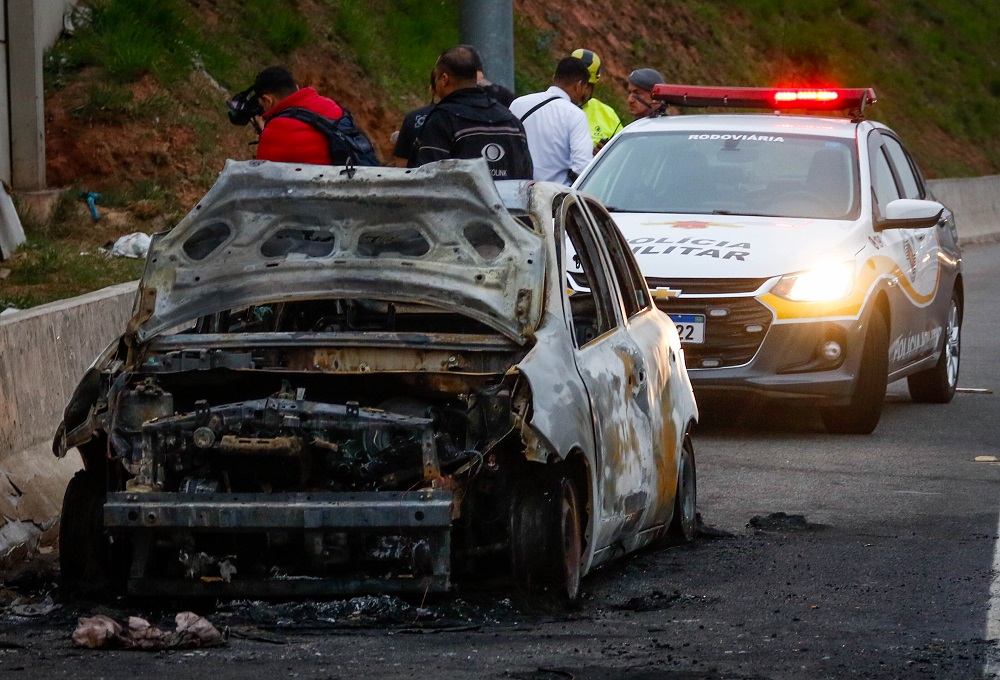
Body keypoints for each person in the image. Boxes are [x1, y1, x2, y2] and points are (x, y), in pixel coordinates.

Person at [411, 45, 533, 180]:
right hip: (509, 201)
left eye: (437, 78)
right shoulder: (511, 121)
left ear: (444, 79)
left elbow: (427, 179)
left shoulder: (442, 120)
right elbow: (526, 180)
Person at [508, 57, 593, 185]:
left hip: (517, 193)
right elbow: (582, 167)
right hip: (555, 197)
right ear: (579, 85)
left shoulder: (518, 104)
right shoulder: (575, 115)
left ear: (554, 78)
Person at [253, 66, 346, 164]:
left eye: (262, 105)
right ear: (297, 87)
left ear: (268, 100)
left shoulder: (274, 133)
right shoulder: (331, 105)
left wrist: (266, 133)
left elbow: (261, 175)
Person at [570, 48, 622, 153]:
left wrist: (606, 155)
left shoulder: (609, 115)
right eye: (577, 83)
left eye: (588, 85)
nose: (582, 90)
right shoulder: (548, 108)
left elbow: (624, 152)